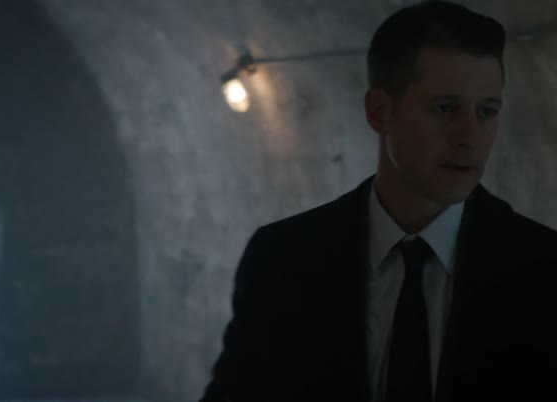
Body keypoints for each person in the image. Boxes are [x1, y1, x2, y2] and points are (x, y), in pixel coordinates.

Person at [198, 1, 557, 401]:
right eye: (444, 108)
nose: (470, 136)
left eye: (487, 111)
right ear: (379, 112)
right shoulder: (283, 260)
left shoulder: (543, 270)